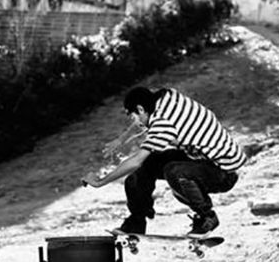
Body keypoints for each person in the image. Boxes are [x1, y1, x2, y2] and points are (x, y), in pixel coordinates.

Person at [82, 87, 245, 236]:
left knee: (172, 171)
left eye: (133, 116)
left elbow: (136, 161)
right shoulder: (166, 96)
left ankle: (207, 217)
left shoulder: (163, 124)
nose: (136, 123)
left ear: (140, 109)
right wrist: (121, 139)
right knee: (148, 166)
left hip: (224, 172)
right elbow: (140, 118)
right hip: (204, 158)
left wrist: (100, 182)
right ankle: (137, 221)